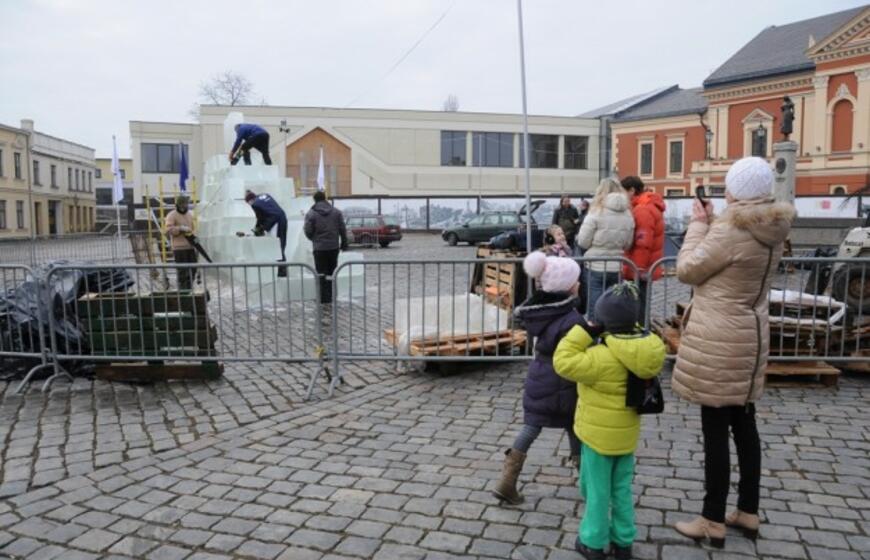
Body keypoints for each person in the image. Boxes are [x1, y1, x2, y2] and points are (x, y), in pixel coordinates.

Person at [672, 157, 795, 548]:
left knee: (715, 429)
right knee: (745, 425)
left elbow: (688, 270)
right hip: (750, 334)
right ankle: (748, 509)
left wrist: (697, 225)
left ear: (735, 191)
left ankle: (711, 519)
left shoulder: (729, 231)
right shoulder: (772, 226)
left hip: (720, 337)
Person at [554, 282, 665, 560]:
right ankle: (623, 541)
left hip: (596, 439)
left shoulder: (599, 358)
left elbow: (563, 360)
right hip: (625, 440)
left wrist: (582, 331)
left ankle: (592, 541)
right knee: (621, 490)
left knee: (596, 491)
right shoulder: (646, 351)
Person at [493, 252, 594, 505]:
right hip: (566, 381)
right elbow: (580, 350)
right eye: (575, 281)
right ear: (567, 287)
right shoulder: (572, 319)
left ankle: (507, 480)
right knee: (575, 427)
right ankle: (589, 485)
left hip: (540, 376)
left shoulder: (540, 313)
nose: (579, 284)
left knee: (531, 427)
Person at [576, 179, 634, 323]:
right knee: (613, 308)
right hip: (617, 265)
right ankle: (611, 338)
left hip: (596, 265)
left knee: (594, 307)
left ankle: (595, 340)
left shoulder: (596, 211)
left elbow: (583, 241)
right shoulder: (628, 214)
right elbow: (628, 244)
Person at [621, 176, 665, 325]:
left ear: (632, 191)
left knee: (638, 303)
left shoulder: (643, 210)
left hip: (639, 267)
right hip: (644, 266)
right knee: (641, 300)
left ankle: (639, 329)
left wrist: (636, 270)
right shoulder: (646, 206)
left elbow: (643, 244)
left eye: (623, 192)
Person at [304, 191, 348, 304]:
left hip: (319, 248)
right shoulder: (337, 212)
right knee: (332, 272)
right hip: (333, 247)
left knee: (321, 273)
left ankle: (323, 298)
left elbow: (307, 230)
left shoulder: (311, 213)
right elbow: (342, 229)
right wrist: (344, 242)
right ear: (325, 199)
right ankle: (331, 295)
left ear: (315, 200)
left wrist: (314, 239)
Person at [242, 190, 288, 262]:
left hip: (276, 220)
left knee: (276, 247)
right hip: (283, 217)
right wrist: (261, 228)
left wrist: (260, 229)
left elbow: (260, 218)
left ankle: (280, 269)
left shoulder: (255, 204)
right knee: (281, 244)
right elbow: (268, 212)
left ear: (249, 201)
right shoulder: (265, 195)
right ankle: (282, 268)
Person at [164, 195, 197, 290]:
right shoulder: (172, 215)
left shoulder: (189, 215)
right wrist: (180, 229)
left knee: (193, 269)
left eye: (187, 203)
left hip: (190, 247)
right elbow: (168, 230)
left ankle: (189, 288)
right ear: (179, 204)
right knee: (182, 271)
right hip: (179, 248)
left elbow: (193, 229)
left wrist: (195, 238)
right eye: (184, 203)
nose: (186, 205)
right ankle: (183, 290)